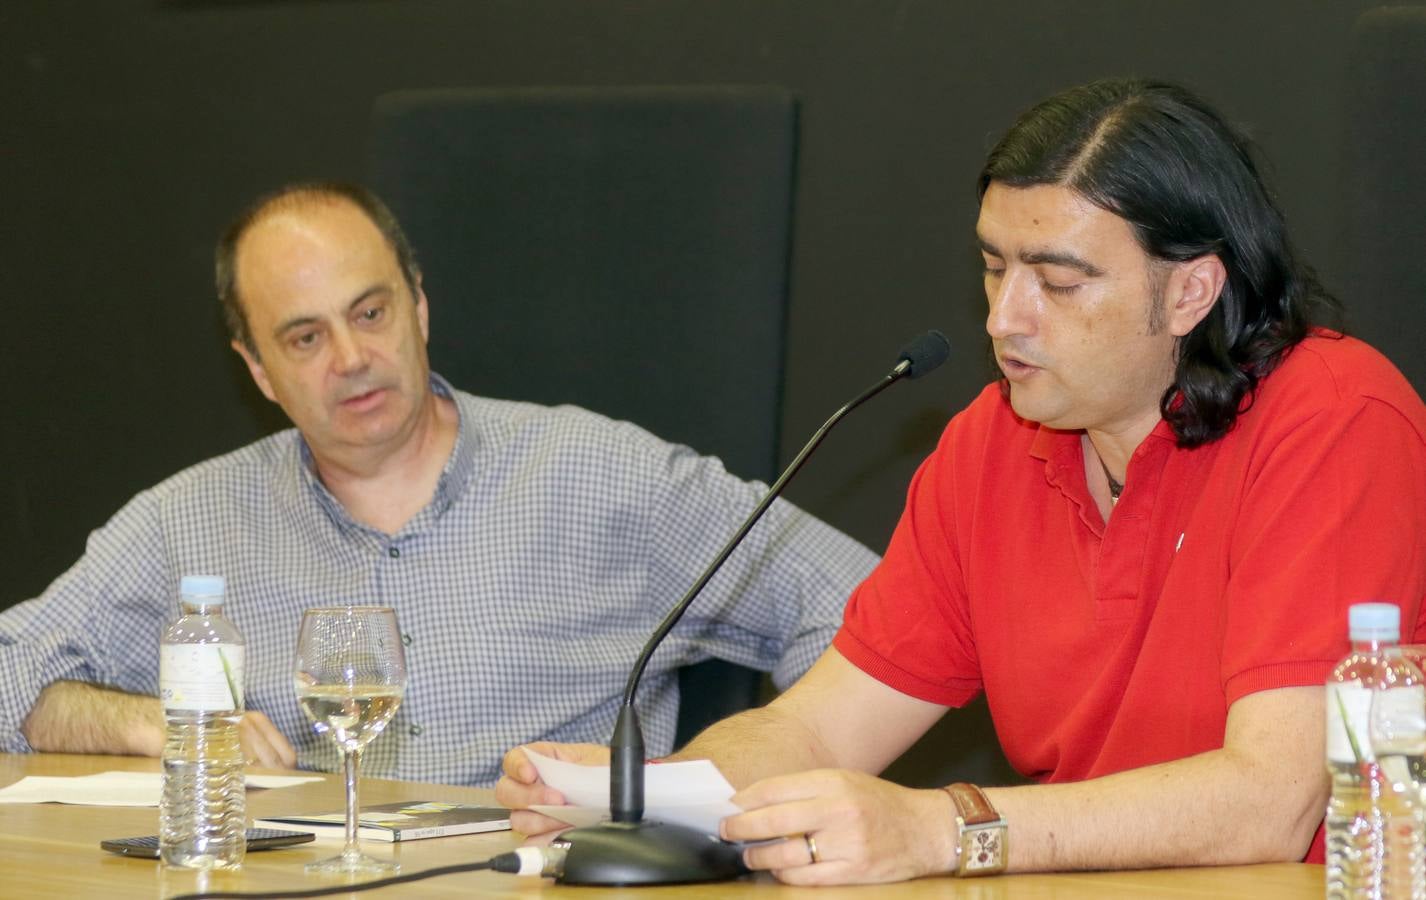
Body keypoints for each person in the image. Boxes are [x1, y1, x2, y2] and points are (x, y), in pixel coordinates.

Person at [497, 77, 1426, 883]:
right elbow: (818, 732)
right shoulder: (991, 444)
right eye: (992, 267)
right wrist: (653, 797)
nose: (1003, 319)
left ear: (1190, 292)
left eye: (1058, 283)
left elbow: (1273, 804)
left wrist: (945, 828)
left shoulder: (1333, 418)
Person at [0, 183, 878, 786]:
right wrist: (149, 724)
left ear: (418, 306)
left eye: (370, 312)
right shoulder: (187, 523)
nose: (351, 358)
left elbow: (880, 616)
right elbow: (11, 673)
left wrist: (705, 782)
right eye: (305, 338)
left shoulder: (604, 475)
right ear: (257, 369)